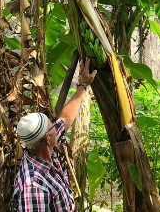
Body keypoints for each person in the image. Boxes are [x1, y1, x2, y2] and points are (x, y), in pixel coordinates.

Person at [13, 58, 97, 212]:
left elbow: (65, 119)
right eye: (51, 126)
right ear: (47, 138)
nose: (55, 125)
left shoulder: (42, 149)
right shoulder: (33, 187)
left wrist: (84, 84)